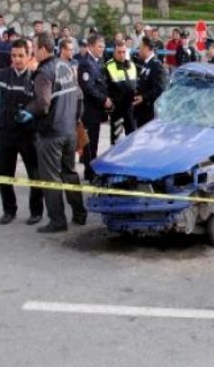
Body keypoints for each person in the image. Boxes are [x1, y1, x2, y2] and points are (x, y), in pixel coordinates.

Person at [19, 32, 87, 233]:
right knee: (70, 174)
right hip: (69, 131)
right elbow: (79, 96)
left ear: (42, 49)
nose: (31, 50)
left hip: (51, 134)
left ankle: (57, 220)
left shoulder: (43, 73)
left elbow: (43, 103)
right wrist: (75, 120)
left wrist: (28, 112)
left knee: (50, 179)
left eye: (33, 47)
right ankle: (80, 213)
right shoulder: (65, 65)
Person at [0, 38, 43, 225]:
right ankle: (9, 210)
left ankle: (36, 212)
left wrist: (32, 116)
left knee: (35, 176)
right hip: (6, 134)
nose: (17, 59)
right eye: (14, 56)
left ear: (29, 56)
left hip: (28, 135)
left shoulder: (36, 77)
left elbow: (43, 105)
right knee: (4, 175)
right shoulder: (2, 76)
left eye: (21, 55)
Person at [77, 35, 111, 181]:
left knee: (94, 142)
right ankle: (89, 173)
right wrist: (104, 100)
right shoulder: (86, 63)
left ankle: (91, 171)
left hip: (97, 110)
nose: (102, 50)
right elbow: (88, 87)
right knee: (90, 144)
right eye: (99, 47)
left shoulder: (96, 61)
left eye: (103, 47)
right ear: (90, 46)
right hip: (90, 111)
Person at [104, 40, 138, 144]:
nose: (122, 54)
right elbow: (106, 87)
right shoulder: (109, 66)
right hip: (117, 108)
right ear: (114, 52)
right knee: (116, 138)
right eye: (119, 52)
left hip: (130, 107)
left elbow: (135, 84)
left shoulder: (131, 64)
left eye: (123, 51)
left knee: (132, 136)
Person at [134, 37, 166, 127]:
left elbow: (159, 88)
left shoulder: (156, 65)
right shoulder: (145, 64)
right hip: (141, 112)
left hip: (150, 113)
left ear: (147, 48)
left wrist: (144, 98)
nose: (138, 51)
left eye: (140, 48)